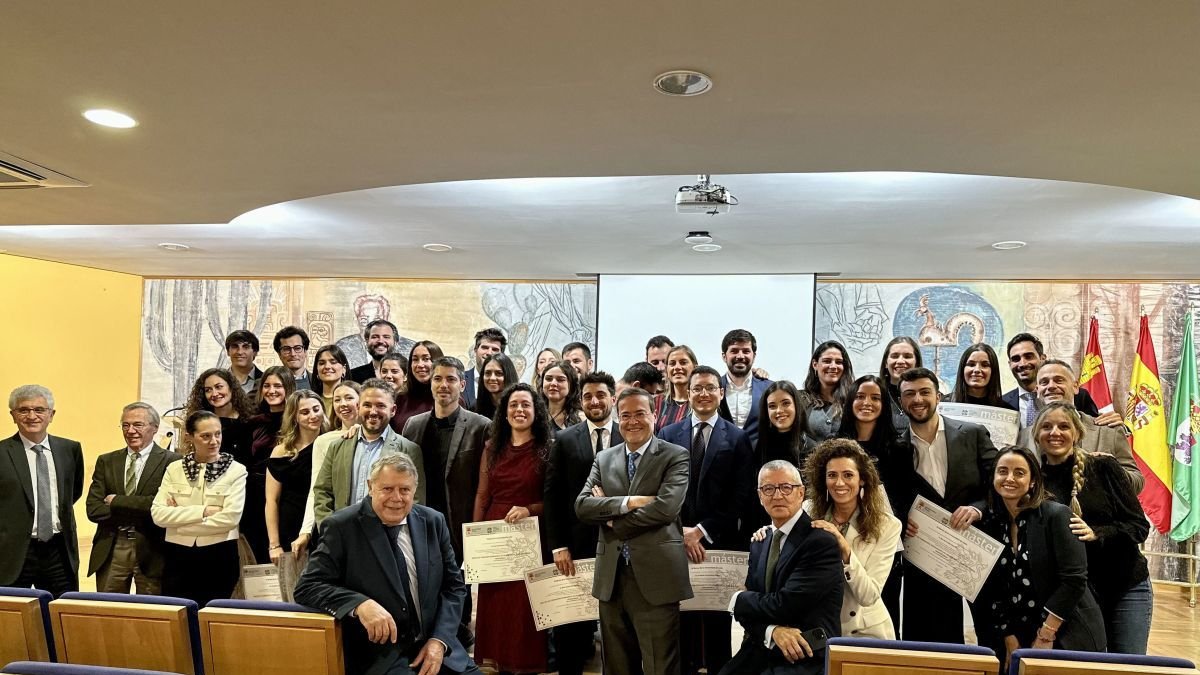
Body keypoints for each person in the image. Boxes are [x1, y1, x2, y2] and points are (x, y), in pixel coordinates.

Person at [294, 454, 481, 675]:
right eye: (387, 489)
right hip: (380, 656)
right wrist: (360, 604)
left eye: (404, 490)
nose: (397, 498)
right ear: (370, 487)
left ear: (414, 491)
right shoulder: (342, 527)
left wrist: (440, 640)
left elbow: (454, 587)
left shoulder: (433, 521)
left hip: (435, 645)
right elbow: (307, 587)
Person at [575, 387, 693, 675]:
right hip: (611, 578)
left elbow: (666, 509)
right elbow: (582, 506)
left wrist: (613, 518)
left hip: (657, 578)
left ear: (654, 416)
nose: (632, 421)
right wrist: (628, 502)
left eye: (640, 413)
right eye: (625, 415)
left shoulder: (675, 455)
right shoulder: (604, 458)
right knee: (616, 666)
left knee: (660, 666)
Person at [1031, 402, 1151, 653]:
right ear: (1036, 435)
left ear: (1077, 433)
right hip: (1079, 597)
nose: (1055, 432)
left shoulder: (1104, 467)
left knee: (1126, 667)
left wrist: (1097, 533)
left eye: (1064, 426)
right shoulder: (1033, 482)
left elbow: (1139, 527)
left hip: (1125, 586)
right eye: (1047, 427)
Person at [658, 365, 754, 675]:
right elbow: (660, 488)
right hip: (675, 543)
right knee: (681, 618)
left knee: (716, 623)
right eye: (697, 388)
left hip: (718, 542)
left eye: (710, 388)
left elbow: (740, 496)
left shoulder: (737, 437)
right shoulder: (668, 434)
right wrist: (680, 532)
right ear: (687, 394)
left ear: (721, 392)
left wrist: (701, 531)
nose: (703, 393)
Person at [976, 445, 1106, 670]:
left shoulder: (1056, 515)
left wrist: (1046, 635)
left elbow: (1074, 580)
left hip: (1066, 631)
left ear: (1033, 481)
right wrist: (1009, 636)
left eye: (1019, 472)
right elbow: (994, 588)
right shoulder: (993, 523)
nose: (1009, 478)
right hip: (1018, 633)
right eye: (1003, 471)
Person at [897, 367, 998, 643]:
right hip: (925, 556)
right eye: (909, 394)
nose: (918, 399)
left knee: (992, 634)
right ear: (901, 401)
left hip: (974, 548)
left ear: (938, 396)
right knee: (930, 640)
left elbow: (998, 484)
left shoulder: (973, 433)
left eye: (924, 392)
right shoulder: (896, 447)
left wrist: (978, 509)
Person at [720, 460, 844, 675]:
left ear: (801, 493)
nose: (777, 495)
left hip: (803, 653)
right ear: (760, 496)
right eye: (768, 489)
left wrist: (737, 599)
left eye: (786, 487)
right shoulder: (760, 541)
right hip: (763, 646)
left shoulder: (820, 542)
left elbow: (786, 604)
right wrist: (771, 631)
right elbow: (747, 615)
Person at [402, 356, 491, 647]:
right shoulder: (413, 425)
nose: (443, 385)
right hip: (421, 517)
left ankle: (459, 638)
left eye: (451, 379)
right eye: (438, 379)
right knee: (424, 580)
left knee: (458, 584)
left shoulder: (481, 426)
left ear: (462, 385)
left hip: (460, 519)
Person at [544, 371, 623, 675]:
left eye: (601, 395)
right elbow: (552, 496)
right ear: (581, 400)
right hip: (575, 547)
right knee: (571, 629)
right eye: (588, 396)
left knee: (617, 627)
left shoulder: (627, 435)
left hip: (620, 543)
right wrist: (558, 545)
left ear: (612, 398)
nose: (595, 401)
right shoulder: (565, 439)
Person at [471, 383, 551, 673]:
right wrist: (475, 541)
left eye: (525, 405)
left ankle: (524, 664)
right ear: (504, 413)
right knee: (496, 602)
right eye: (513, 405)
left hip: (530, 533)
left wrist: (529, 509)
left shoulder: (548, 448)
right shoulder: (492, 447)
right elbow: (482, 495)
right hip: (495, 533)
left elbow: (554, 500)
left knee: (523, 607)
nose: (519, 410)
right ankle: (497, 662)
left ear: (536, 411)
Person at [802, 439, 902, 639]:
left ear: (862, 479)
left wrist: (845, 550)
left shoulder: (888, 526)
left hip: (865, 631)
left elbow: (869, 595)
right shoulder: (807, 511)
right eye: (832, 475)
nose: (839, 483)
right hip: (819, 626)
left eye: (848, 475)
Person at [834, 374, 911, 631]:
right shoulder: (835, 446)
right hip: (840, 541)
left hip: (881, 544)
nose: (867, 402)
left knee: (880, 611)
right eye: (860, 396)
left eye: (875, 398)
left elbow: (905, 496)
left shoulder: (899, 448)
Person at [151, 410, 248, 607]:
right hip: (178, 555)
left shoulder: (236, 470)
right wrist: (202, 512)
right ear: (190, 437)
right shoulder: (174, 469)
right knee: (178, 616)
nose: (214, 441)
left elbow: (230, 519)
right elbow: (158, 515)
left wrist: (179, 524)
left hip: (219, 555)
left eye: (218, 434)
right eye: (205, 436)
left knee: (211, 616)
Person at [86, 402, 182, 594]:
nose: (131, 431)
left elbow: (165, 508)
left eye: (138, 425)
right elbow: (94, 509)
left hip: (153, 549)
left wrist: (116, 501)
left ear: (155, 428)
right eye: (125, 425)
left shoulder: (172, 462)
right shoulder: (107, 461)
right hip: (113, 546)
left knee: (152, 614)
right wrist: (143, 508)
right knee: (107, 612)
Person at [1, 385, 85, 597]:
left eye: (39, 410)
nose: (32, 416)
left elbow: (72, 492)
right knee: (11, 617)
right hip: (13, 552)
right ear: (13, 415)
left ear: (51, 414)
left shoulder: (70, 449)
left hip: (58, 551)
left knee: (60, 613)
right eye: (23, 410)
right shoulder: (2, 453)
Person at [1019, 359, 1143, 492]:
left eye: (1059, 380)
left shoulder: (1109, 431)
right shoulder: (1023, 436)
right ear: (1037, 390)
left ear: (1075, 386)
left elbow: (1137, 483)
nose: (1051, 386)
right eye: (1044, 382)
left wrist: (1111, 469)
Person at [313, 379, 425, 526]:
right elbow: (322, 493)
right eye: (367, 405)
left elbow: (415, 500)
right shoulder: (337, 447)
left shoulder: (409, 450)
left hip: (386, 538)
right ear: (358, 407)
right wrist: (329, 530)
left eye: (380, 406)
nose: (373, 412)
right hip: (343, 537)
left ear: (393, 410)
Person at [184, 368, 263, 560]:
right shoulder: (199, 423)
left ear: (232, 388)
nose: (214, 393)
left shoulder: (251, 421)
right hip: (210, 496)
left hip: (246, 494)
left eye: (219, 387)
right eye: (208, 390)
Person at [266, 390, 327, 601]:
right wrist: (274, 544)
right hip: (290, 530)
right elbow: (271, 501)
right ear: (294, 417)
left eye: (316, 409)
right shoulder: (281, 451)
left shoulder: (332, 442)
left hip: (322, 529)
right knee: (293, 596)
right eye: (305, 412)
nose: (313, 415)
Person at [300, 381, 362, 548]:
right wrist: (305, 531)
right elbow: (317, 488)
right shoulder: (324, 441)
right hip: (338, 525)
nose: (342, 404)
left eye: (349, 397)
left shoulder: (377, 437)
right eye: (337, 400)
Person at [1002, 333, 1104, 426]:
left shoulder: (1078, 395)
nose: (1022, 364)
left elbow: (1095, 429)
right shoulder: (1002, 403)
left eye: (1028, 356)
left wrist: (1111, 420)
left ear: (1042, 358)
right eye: (1016, 359)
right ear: (1010, 364)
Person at [717, 329, 773, 446]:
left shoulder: (769, 388)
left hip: (759, 461)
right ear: (724, 356)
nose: (740, 356)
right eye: (734, 351)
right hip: (721, 461)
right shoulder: (713, 388)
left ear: (754, 356)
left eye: (746, 351)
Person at [799, 341, 855, 441]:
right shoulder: (800, 399)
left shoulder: (853, 400)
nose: (833, 366)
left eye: (839, 362)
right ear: (815, 364)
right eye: (827, 361)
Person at [756, 381, 815, 470]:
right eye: (772, 406)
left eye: (786, 403)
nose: (779, 410)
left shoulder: (810, 447)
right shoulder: (761, 446)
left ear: (796, 405)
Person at [393, 340, 445, 433]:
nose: (420, 365)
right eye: (415, 359)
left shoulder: (450, 399)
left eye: (426, 359)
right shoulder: (400, 398)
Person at [950, 343, 1015, 410]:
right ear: (962, 369)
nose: (977, 370)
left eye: (985, 365)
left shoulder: (1006, 410)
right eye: (971, 364)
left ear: (993, 371)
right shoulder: (943, 404)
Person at [877, 336, 921, 430]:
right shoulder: (874, 396)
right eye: (895, 356)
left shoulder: (929, 397)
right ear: (886, 363)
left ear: (916, 363)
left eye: (907, 356)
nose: (900, 361)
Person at [655, 344, 698, 431]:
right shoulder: (656, 403)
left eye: (683, 362)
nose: (677, 367)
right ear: (667, 369)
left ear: (695, 367)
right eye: (672, 363)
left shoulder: (702, 402)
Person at [463, 327, 507, 410]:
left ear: (502, 355)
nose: (489, 353)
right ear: (475, 350)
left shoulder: (506, 384)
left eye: (495, 349)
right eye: (485, 347)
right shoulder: (459, 379)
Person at [349, 319, 401, 383]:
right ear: (367, 342)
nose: (380, 341)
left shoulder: (409, 373)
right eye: (375, 337)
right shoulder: (352, 376)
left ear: (395, 342)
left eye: (386, 337)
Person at [473, 352, 519, 422]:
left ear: (508, 375)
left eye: (499, 373)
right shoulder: (474, 408)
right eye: (488, 373)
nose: (492, 378)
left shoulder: (519, 408)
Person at [540, 360, 584, 431]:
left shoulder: (581, 419)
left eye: (560, 380)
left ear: (571, 385)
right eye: (548, 379)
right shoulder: (534, 415)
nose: (553, 383)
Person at [313, 345, 351, 417]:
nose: (327, 366)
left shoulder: (355, 399)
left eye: (333, 362)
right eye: (321, 363)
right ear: (316, 370)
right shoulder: (310, 400)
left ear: (344, 369)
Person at [226, 329, 264, 396]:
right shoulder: (217, 381)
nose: (239, 352)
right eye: (235, 346)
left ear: (255, 352)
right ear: (228, 352)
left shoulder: (266, 380)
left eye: (245, 347)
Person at [274, 325, 313, 391]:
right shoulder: (266, 384)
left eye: (297, 348)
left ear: (305, 352)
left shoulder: (320, 382)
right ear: (279, 354)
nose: (293, 354)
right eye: (286, 349)